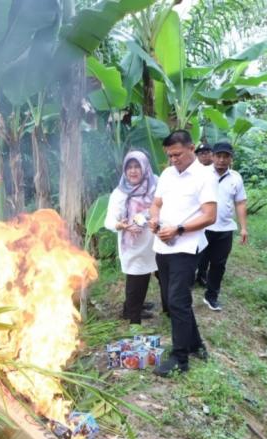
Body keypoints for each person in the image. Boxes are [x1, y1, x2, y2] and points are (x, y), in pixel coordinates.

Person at [148, 130, 218, 376]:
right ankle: (196, 343)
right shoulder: (167, 174)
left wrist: (179, 229)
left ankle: (181, 359)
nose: (173, 159)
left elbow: (210, 215)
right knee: (173, 300)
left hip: (186, 248)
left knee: (177, 300)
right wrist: (154, 219)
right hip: (162, 245)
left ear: (191, 148)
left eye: (177, 154)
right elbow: (156, 203)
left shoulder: (204, 176)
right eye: (169, 155)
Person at [104, 151, 158, 325]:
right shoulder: (120, 193)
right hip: (132, 244)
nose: (133, 171)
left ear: (145, 168)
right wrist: (120, 225)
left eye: (137, 167)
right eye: (129, 167)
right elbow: (109, 221)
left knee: (148, 276)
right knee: (136, 280)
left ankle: (133, 307)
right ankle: (134, 321)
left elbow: (161, 208)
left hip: (154, 240)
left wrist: (144, 217)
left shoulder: (155, 185)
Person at [195, 142, 249, 311]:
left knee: (219, 264)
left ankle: (211, 296)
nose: (221, 160)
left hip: (225, 229)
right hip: (203, 227)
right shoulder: (201, 174)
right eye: (218, 156)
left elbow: (240, 203)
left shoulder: (236, 178)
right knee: (197, 260)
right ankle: (188, 286)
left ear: (231, 159)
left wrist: (244, 228)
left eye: (226, 157)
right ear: (212, 157)